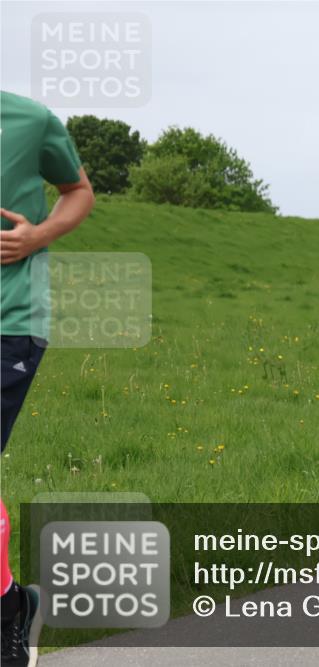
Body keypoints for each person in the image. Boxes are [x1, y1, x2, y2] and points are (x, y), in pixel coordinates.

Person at [1, 90, 94, 666]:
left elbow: (78, 191)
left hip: (9, 321)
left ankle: (6, 618)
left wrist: (37, 236)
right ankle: (12, 605)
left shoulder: (29, 120)